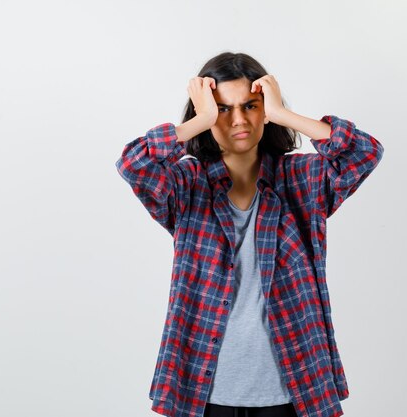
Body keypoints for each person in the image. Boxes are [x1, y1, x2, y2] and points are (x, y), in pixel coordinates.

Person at [115, 52, 384, 417]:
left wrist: (284, 115)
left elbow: (364, 152)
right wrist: (202, 120)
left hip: (292, 384)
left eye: (251, 106)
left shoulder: (301, 179)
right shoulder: (186, 184)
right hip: (204, 386)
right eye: (223, 109)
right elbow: (133, 164)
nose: (239, 120)